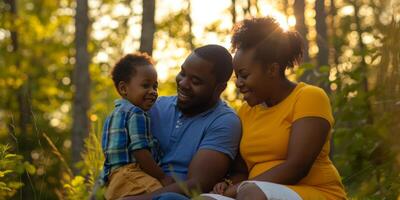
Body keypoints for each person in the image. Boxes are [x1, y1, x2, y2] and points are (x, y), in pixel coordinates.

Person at [203, 17, 347, 200]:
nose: (238, 83)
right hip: (251, 193)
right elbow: (241, 170)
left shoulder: (309, 97)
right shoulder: (246, 112)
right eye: (236, 76)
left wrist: (238, 190)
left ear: (272, 70)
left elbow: (297, 167)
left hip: (317, 192)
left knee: (252, 192)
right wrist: (228, 184)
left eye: (244, 75)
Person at [122, 44, 242, 200]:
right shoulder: (154, 107)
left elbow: (197, 184)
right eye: (183, 73)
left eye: (196, 81)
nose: (183, 83)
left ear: (219, 88)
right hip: (134, 186)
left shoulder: (224, 121)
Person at [100, 53, 174, 200]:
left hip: (114, 178)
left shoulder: (114, 114)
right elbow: (140, 151)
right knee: (166, 196)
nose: (153, 91)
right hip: (132, 174)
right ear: (123, 89)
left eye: (155, 86)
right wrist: (162, 176)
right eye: (146, 85)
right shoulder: (137, 113)